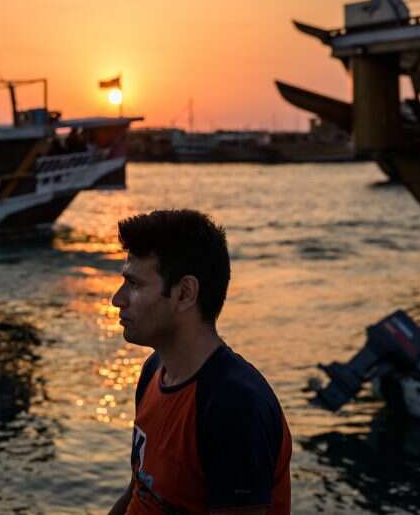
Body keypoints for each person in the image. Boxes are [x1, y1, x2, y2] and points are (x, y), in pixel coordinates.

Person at [108, 209, 291, 515]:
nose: (117, 298)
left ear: (184, 294)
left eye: (135, 285)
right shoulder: (154, 371)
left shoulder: (233, 406)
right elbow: (138, 489)